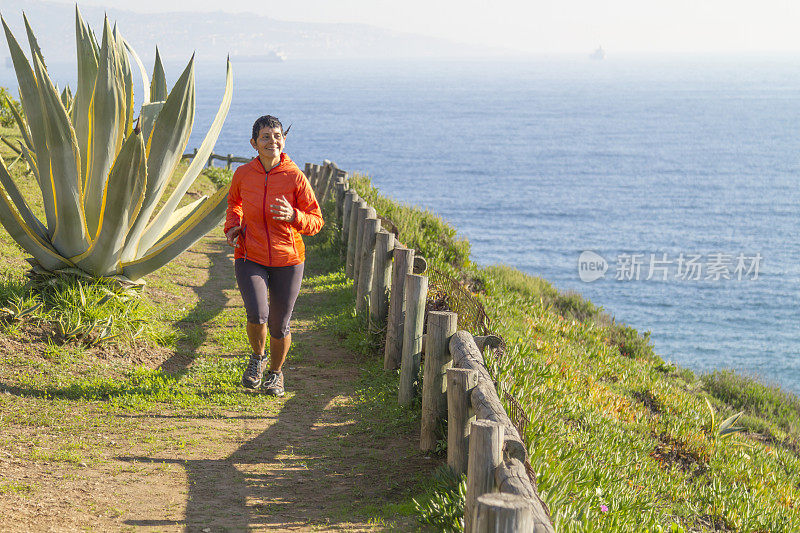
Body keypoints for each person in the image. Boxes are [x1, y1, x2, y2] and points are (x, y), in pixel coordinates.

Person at [224, 115, 324, 396]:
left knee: (279, 325)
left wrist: (294, 216)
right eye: (266, 136)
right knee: (257, 314)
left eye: (277, 135)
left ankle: (275, 374)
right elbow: (235, 203)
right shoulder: (243, 174)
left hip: (288, 260)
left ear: (284, 139)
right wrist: (233, 225)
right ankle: (257, 359)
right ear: (254, 143)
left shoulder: (294, 177)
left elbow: (316, 221)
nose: (272, 141)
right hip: (249, 254)